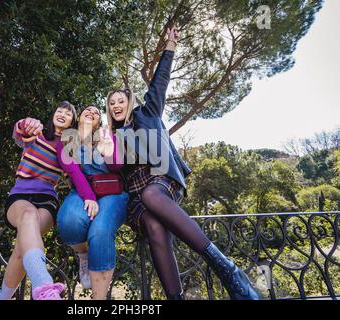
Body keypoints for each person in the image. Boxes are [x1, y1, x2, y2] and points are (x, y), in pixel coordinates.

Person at [105, 27, 260, 300]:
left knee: (152, 194)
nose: (116, 105)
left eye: (121, 100)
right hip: (135, 194)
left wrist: (170, 47)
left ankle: (227, 270)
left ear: (130, 102)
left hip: (160, 180)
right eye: (111, 103)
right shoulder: (111, 136)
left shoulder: (147, 112)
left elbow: (159, 81)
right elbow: (110, 168)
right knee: (153, 226)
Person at [0, 101, 78, 300]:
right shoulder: (37, 134)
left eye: (68, 113)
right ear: (53, 115)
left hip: (47, 202)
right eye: (59, 110)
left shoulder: (69, 149)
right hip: (20, 197)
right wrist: (25, 123)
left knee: (21, 250)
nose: (62, 114)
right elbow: (19, 132)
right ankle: (44, 287)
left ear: (72, 123)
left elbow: (75, 180)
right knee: (28, 214)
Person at [56, 105, 128, 300]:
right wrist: (88, 196)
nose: (92, 113)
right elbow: (73, 171)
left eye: (97, 113)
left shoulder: (106, 134)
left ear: (99, 122)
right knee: (69, 220)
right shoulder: (67, 140)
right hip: (82, 190)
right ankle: (83, 256)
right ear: (79, 117)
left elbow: (117, 166)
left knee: (100, 231)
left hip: (113, 192)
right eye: (88, 110)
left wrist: (108, 150)